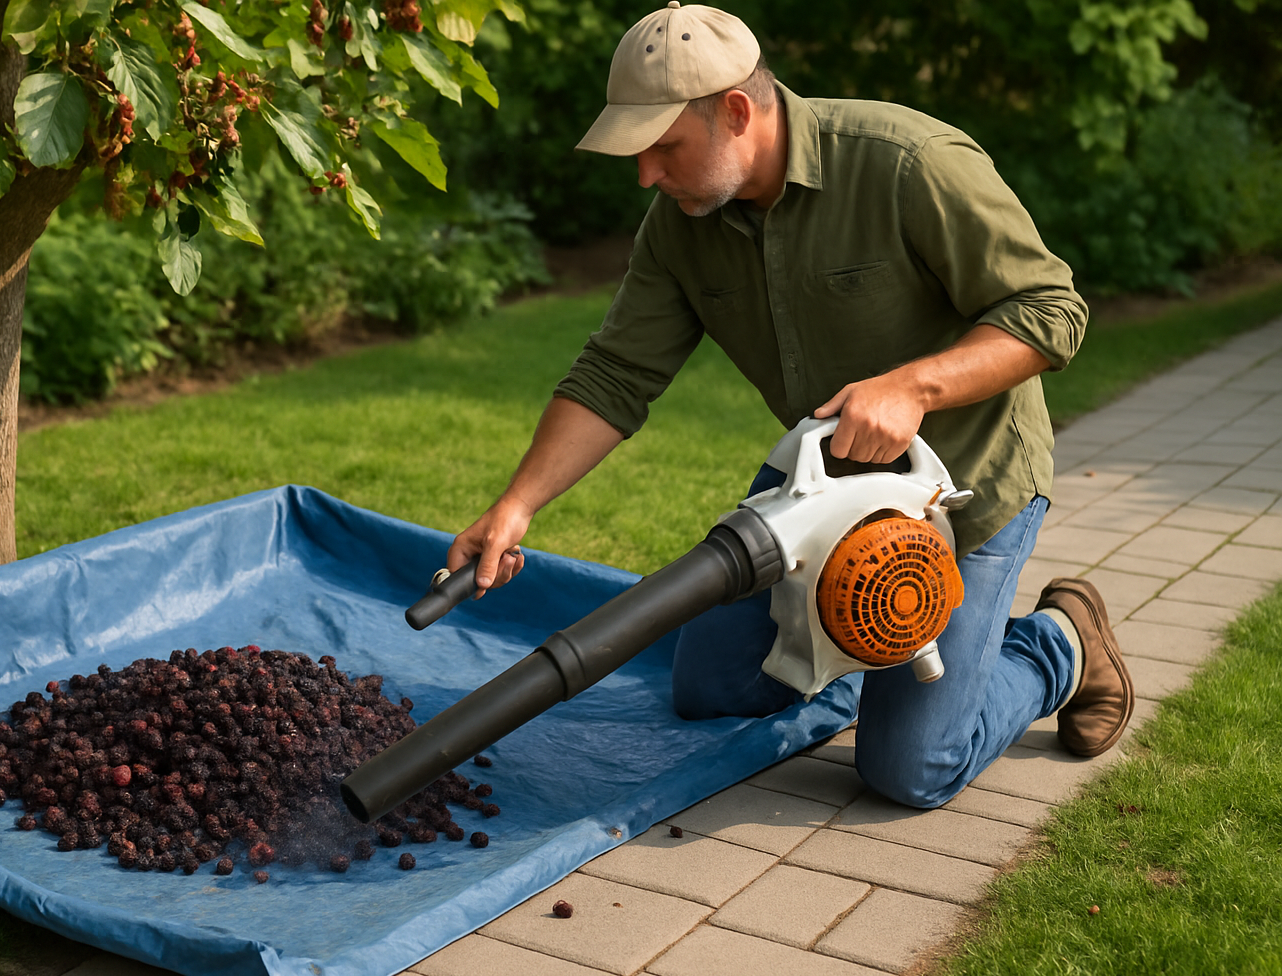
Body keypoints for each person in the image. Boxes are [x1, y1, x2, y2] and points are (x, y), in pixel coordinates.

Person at [445, 2, 1134, 808]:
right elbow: (615, 373)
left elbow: (1052, 309)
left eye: (663, 147)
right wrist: (516, 506)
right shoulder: (680, 226)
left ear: (737, 112)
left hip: (964, 488)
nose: (645, 175)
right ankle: (866, 648)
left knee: (910, 771)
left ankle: (1060, 645)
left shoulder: (906, 164)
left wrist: (912, 386)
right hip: (820, 493)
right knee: (707, 688)